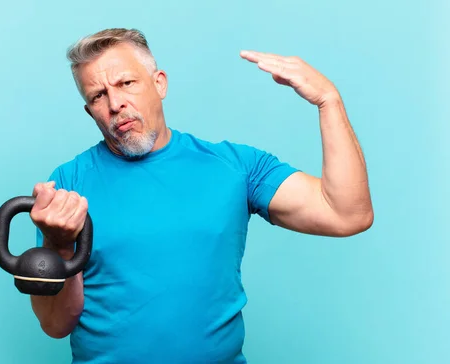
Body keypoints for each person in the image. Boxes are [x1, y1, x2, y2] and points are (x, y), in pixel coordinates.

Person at [28, 28, 374, 363]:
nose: (115, 103)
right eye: (98, 96)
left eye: (126, 83)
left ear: (159, 83)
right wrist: (60, 245)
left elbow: (347, 214)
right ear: (90, 111)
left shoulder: (235, 167)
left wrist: (329, 101)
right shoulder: (67, 186)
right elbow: (56, 324)